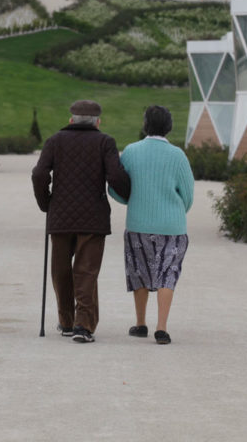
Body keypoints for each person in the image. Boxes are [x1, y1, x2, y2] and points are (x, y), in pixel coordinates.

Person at [31, 100, 130, 343]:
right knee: (86, 271)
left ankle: (66, 321)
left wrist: (46, 203)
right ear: (98, 122)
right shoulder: (105, 142)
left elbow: (39, 174)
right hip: (93, 217)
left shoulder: (55, 141)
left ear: (70, 120)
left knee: (60, 271)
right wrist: (127, 194)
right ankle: (83, 325)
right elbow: (116, 175)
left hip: (60, 216)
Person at [109, 105, 193, 345]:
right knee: (168, 274)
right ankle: (162, 327)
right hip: (172, 226)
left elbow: (116, 188)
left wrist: (131, 201)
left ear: (145, 125)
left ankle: (141, 323)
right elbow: (187, 194)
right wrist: (176, 210)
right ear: (169, 127)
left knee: (139, 272)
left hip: (138, 223)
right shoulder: (178, 155)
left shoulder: (131, 152)